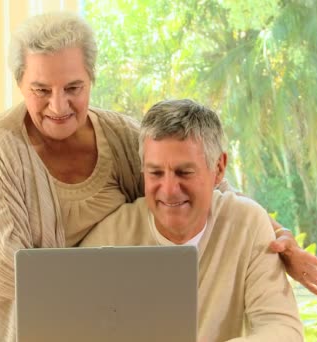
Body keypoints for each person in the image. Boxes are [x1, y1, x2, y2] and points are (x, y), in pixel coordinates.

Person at [0, 11, 317, 341]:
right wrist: (124, 290)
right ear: (20, 85)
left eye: (73, 88)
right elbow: (4, 273)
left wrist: (273, 236)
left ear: (91, 78)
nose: (58, 106)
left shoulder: (123, 137)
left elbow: (212, 183)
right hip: (5, 328)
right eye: (41, 90)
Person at [81, 98, 304, 341]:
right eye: (155, 173)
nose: (168, 190)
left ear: (218, 168)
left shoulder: (247, 224)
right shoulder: (113, 235)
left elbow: (282, 329)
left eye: (184, 172)